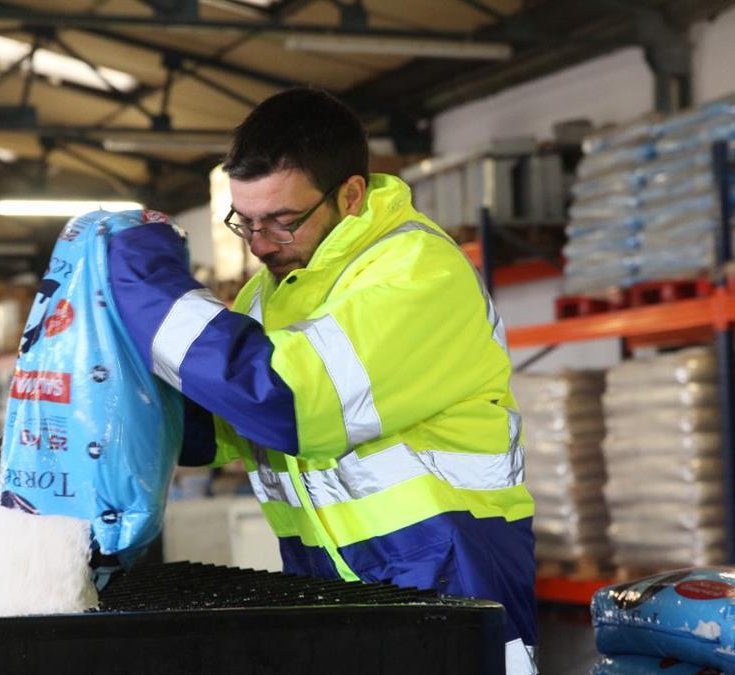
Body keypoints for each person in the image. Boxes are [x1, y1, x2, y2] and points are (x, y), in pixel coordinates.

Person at [106, 87, 537, 674]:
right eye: (246, 222)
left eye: (282, 222)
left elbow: (286, 402)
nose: (259, 245)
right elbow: (225, 424)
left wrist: (147, 288)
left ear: (351, 195)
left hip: (444, 570)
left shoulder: (416, 271)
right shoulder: (273, 291)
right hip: (327, 575)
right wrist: (113, 411)